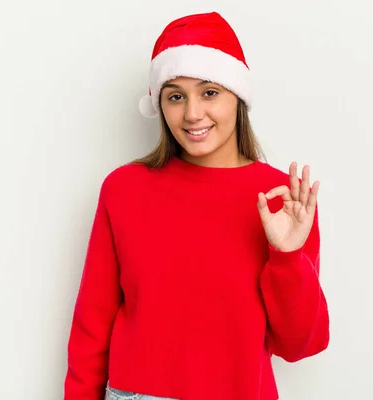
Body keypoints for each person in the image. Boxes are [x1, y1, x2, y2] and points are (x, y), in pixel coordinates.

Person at [64, 11, 330, 400]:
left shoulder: (281, 198)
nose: (192, 114)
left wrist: (287, 257)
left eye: (209, 92)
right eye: (175, 96)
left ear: (237, 96)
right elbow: (91, 327)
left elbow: (300, 345)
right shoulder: (124, 189)